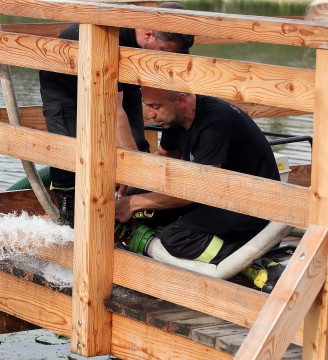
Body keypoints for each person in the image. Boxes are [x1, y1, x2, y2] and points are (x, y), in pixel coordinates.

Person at [39, 2, 195, 227]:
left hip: (121, 78)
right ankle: (69, 217)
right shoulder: (114, 32)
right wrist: (127, 166)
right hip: (65, 83)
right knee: (69, 152)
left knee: (137, 144)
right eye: (166, 53)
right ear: (148, 34)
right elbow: (112, 108)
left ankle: (129, 214)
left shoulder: (166, 37)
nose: (166, 59)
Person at [114, 86, 285, 292]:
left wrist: (133, 204)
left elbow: (197, 191)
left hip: (251, 205)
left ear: (181, 99)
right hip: (216, 195)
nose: (149, 114)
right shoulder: (174, 119)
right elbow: (165, 158)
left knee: (176, 238)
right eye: (146, 106)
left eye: (155, 107)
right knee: (140, 205)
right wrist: (130, 177)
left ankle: (252, 263)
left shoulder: (216, 123)